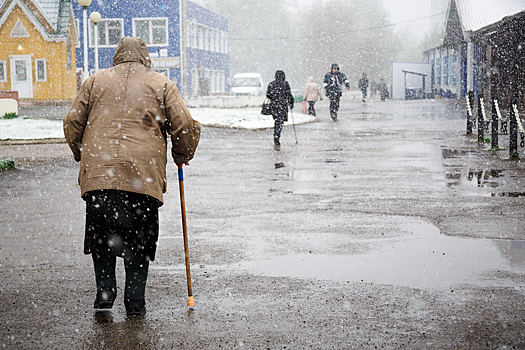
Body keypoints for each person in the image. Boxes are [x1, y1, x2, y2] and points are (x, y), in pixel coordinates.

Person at [63, 37, 201, 315]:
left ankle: (105, 294)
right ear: (144, 56)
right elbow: (184, 124)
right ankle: (135, 300)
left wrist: (82, 153)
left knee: (102, 237)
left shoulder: (94, 82)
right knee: (139, 239)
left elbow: (72, 122)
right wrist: (182, 153)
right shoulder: (161, 84)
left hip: (100, 177)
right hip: (142, 178)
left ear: (117, 55)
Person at [266, 70, 294, 149]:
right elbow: (289, 95)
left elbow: (268, 95)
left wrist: (274, 98)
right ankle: (277, 134)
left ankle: (276, 134)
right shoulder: (285, 84)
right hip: (282, 105)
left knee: (277, 120)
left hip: (274, 105)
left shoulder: (271, 84)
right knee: (280, 121)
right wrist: (291, 103)